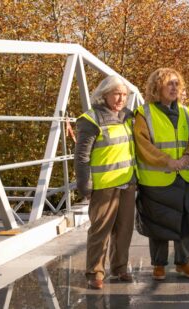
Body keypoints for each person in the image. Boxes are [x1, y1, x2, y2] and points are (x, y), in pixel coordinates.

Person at [133, 68, 189, 281]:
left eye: (176, 84)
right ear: (156, 87)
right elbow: (143, 146)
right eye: (169, 84)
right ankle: (159, 264)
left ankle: (183, 262)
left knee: (187, 220)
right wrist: (168, 161)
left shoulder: (185, 111)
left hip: (185, 175)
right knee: (158, 222)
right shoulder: (144, 113)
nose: (174, 88)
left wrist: (188, 157)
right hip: (157, 178)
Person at [75, 75, 136, 289]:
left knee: (125, 229)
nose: (121, 98)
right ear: (104, 94)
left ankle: (119, 268)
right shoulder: (91, 119)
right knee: (100, 230)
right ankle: (95, 272)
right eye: (116, 93)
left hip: (127, 182)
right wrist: (85, 185)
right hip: (104, 185)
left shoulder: (128, 116)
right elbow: (82, 157)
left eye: (124, 94)